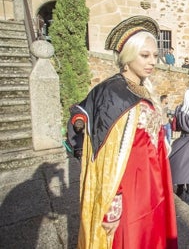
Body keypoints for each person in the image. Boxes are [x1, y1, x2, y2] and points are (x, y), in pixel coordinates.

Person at [67, 16, 177, 248]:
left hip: (153, 185)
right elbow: (106, 153)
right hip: (130, 193)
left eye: (155, 55)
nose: (152, 62)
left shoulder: (143, 88)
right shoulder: (113, 92)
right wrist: (113, 202)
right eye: (145, 55)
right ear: (127, 57)